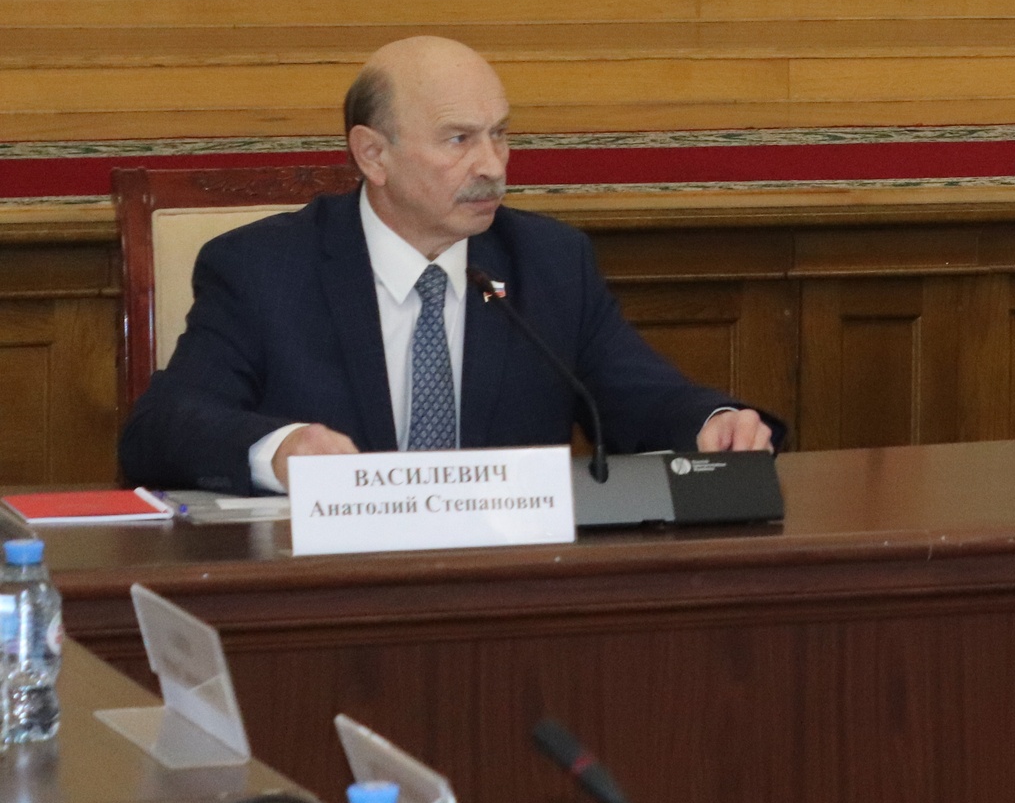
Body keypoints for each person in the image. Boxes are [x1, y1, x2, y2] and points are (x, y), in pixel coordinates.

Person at [118, 36, 779, 494]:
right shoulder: (264, 268)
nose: (492, 165)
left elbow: (640, 397)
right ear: (373, 155)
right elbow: (162, 428)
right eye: (459, 139)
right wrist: (282, 448)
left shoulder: (549, 262)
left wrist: (711, 422)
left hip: (506, 593)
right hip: (331, 591)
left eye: (500, 134)